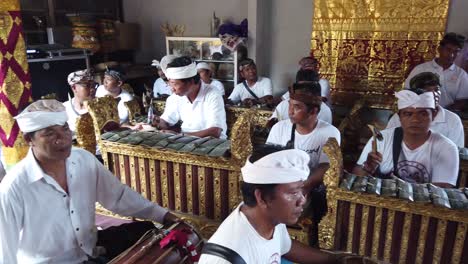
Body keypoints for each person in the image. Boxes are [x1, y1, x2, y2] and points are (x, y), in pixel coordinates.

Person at [0, 99, 179, 263]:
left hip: (89, 250)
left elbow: (118, 196)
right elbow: (4, 251)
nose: (62, 138)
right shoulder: (14, 187)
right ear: (29, 139)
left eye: (64, 128)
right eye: (49, 133)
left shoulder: (83, 160)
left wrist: (163, 215)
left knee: (149, 231)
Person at [198, 146, 334, 264]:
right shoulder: (226, 258)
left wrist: (334, 260)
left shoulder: (270, 217)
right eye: (293, 192)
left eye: (301, 190)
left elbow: (286, 246)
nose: (302, 200)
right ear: (262, 197)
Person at [266, 82, 340, 245]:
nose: (290, 111)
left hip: (312, 186)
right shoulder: (279, 128)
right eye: (290, 105)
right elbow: (270, 160)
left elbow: (325, 166)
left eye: (297, 107)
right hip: (283, 183)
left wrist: (304, 186)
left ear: (313, 111)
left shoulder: (330, 133)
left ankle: (312, 243)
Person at [353, 90, 459, 187]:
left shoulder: (446, 148)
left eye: (422, 114)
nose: (415, 120)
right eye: (408, 114)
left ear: (433, 115)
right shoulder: (382, 139)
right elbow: (356, 178)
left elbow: (441, 193)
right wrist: (367, 168)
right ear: (399, 117)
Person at [154, 56, 228, 139]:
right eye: (170, 84)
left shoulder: (212, 93)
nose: (172, 89)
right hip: (184, 141)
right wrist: (157, 122)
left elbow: (215, 131)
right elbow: (166, 122)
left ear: (191, 82)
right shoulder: (175, 97)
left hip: (212, 144)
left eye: (175, 84)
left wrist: (179, 136)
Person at [387, 72, 464, 148]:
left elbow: (456, 150)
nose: (434, 94)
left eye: (437, 89)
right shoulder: (399, 117)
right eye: (427, 91)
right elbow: (387, 143)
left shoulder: (453, 119)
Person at [405, 32, 468, 110]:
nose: (451, 55)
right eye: (448, 50)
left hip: (446, 117)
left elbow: (462, 101)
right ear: (440, 49)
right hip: (419, 113)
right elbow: (408, 91)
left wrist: (442, 112)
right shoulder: (421, 69)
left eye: (456, 51)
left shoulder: (461, 75)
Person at [63, 69, 96, 136]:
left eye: (93, 85)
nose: (92, 89)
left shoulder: (101, 106)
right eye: (87, 86)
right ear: (74, 87)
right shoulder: (63, 109)